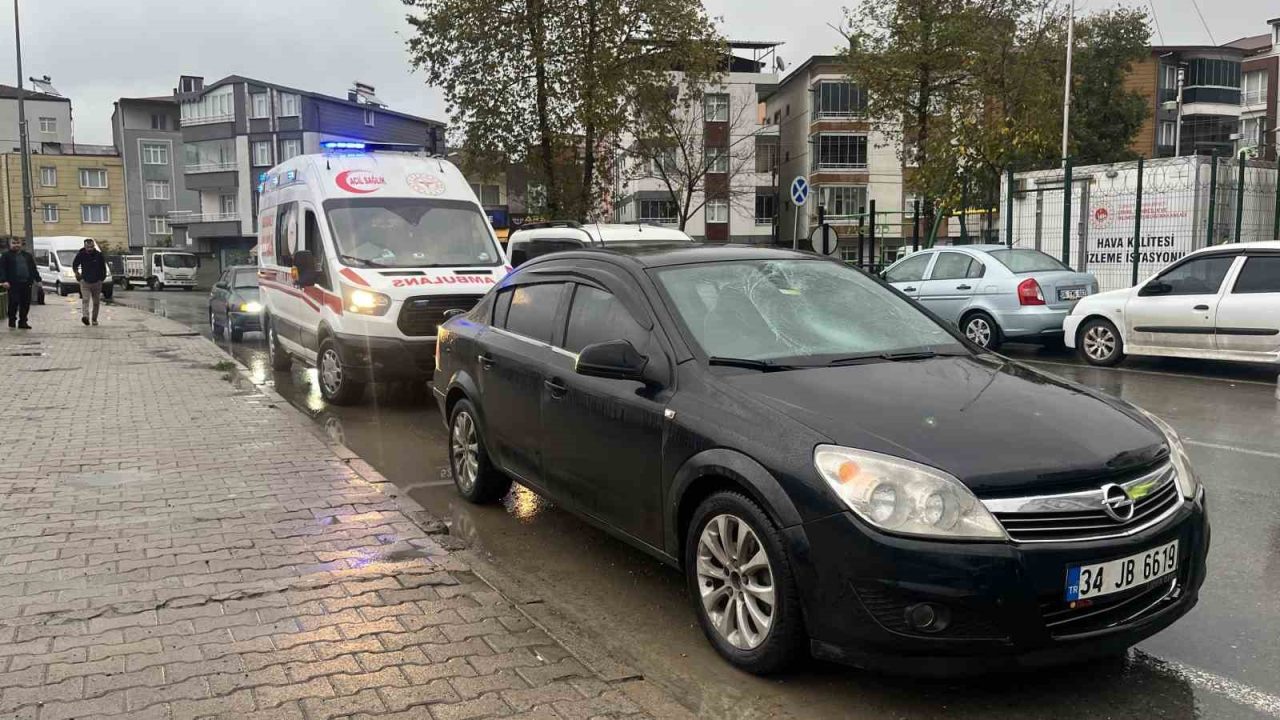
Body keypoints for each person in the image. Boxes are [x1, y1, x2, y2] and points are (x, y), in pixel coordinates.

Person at [0, 237, 38, 329]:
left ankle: (23, 322)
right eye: (14, 243)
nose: (16, 245)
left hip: (26, 283)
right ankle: (12, 320)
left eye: (18, 243)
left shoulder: (27, 255)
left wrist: (38, 279)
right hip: (13, 283)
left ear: (21, 244)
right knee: (14, 302)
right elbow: (2, 269)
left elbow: (33, 268)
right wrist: (3, 281)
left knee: (25, 303)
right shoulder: (6, 256)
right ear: (10, 244)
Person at [72, 238, 107, 326]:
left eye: (91, 247)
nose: (89, 249)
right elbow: (74, 265)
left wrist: (101, 278)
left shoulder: (98, 255)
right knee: (85, 300)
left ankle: (94, 319)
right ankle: (85, 317)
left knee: (96, 302)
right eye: (88, 247)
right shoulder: (81, 254)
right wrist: (77, 274)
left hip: (97, 282)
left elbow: (103, 268)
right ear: (85, 246)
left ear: (93, 246)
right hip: (85, 282)